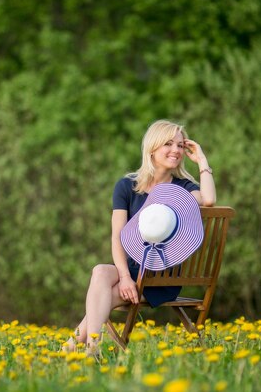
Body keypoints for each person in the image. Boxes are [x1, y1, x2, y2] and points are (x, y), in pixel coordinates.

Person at [64, 119, 216, 355]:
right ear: (152, 148)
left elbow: (208, 201)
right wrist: (125, 277)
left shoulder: (183, 188)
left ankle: (76, 348)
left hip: (161, 275)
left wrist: (202, 161)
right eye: (168, 144)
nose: (176, 150)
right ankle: (87, 349)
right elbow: (117, 236)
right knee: (100, 271)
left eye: (179, 145)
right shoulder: (127, 186)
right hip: (132, 269)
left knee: (102, 297)